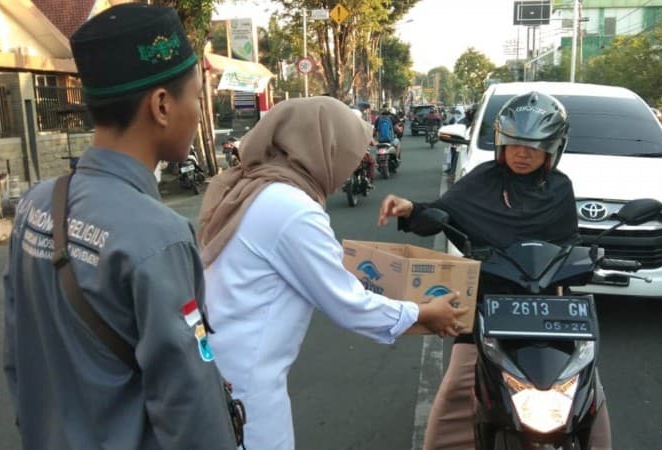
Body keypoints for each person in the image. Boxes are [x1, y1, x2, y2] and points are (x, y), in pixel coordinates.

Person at [2, 4, 237, 449]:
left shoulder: (35, 206)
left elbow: (18, 358)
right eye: (196, 96)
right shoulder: (160, 237)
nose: (199, 112)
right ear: (162, 105)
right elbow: (190, 407)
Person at [197, 97, 468, 450]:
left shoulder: (254, 186)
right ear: (323, 148)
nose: (351, 165)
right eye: (348, 154)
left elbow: (320, 270)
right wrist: (424, 312)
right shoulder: (292, 208)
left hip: (218, 367)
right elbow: (347, 303)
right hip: (246, 388)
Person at [378, 92, 612, 450]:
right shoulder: (482, 180)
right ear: (502, 144)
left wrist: (584, 266)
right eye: (515, 144)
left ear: (552, 149)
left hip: (547, 306)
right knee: (458, 387)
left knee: (586, 394)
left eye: (534, 146)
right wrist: (409, 209)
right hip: (486, 305)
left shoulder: (560, 188)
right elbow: (441, 214)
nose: (522, 153)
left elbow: (568, 244)